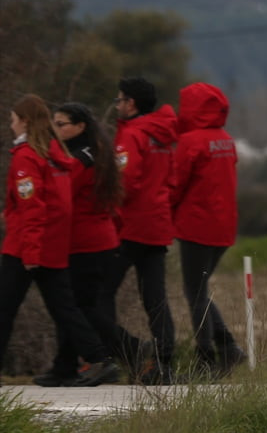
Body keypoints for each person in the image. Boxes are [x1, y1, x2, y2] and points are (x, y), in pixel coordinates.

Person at [0, 94, 120, 387]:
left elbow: (33, 207)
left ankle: (98, 358)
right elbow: (59, 205)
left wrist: (29, 251)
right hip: (52, 245)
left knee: (4, 307)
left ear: (25, 122)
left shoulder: (27, 157)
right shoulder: (57, 156)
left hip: (26, 247)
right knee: (64, 308)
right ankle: (99, 357)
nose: (11, 125)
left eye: (13, 120)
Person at [35, 103, 124, 386]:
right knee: (75, 307)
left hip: (87, 243)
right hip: (94, 239)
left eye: (62, 125)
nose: (56, 130)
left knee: (78, 309)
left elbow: (62, 193)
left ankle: (132, 349)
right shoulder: (94, 151)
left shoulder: (79, 159)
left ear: (80, 126)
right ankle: (64, 366)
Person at [173, 82, 246, 377]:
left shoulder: (190, 142)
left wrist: (162, 215)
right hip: (224, 226)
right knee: (200, 290)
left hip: (196, 226)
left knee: (195, 293)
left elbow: (175, 186)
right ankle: (229, 349)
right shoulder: (226, 140)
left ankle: (206, 359)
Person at [111, 77, 179, 384]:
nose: (118, 105)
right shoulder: (164, 135)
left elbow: (125, 183)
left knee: (96, 295)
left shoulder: (132, 134)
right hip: (158, 223)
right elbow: (172, 179)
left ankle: (125, 352)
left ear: (131, 103)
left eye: (120, 100)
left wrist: (109, 213)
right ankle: (163, 363)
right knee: (155, 299)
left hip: (130, 226)